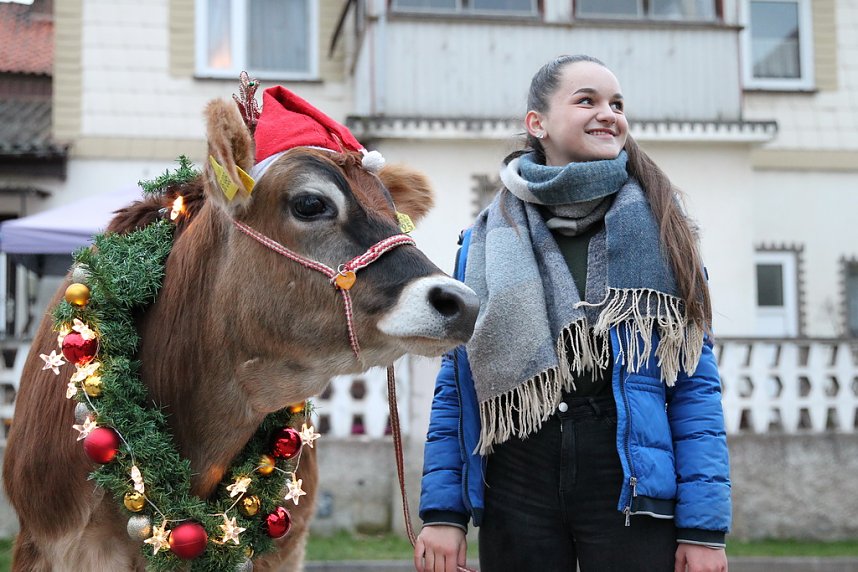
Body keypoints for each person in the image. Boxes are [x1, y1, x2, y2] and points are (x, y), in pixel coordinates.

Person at [413, 55, 731, 572]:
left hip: (629, 478)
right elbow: (459, 380)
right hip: (515, 473)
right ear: (537, 124)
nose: (609, 114)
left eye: (617, 104)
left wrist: (705, 530)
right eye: (587, 100)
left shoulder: (665, 230)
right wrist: (444, 512)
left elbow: (694, 383)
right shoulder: (485, 240)